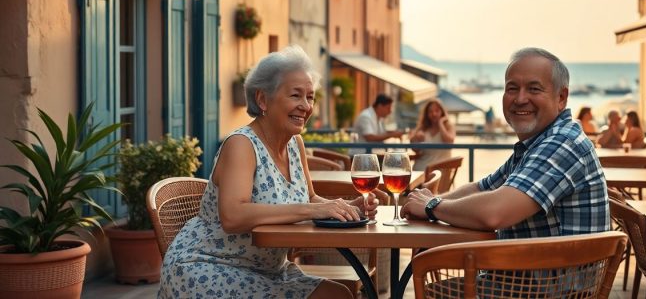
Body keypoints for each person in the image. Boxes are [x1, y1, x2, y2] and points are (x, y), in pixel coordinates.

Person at [159, 46, 379, 299]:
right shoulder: (241, 144)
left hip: (267, 270)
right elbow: (232, 216)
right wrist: (314, 209)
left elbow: (309, 198)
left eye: (310, 97)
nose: (306, 106)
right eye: (296, 95)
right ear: (262, 99)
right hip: (209, 268)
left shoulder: (295, 144)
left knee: (339, 294)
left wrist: (346, 207)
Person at [402, 47, 609, 242]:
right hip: (521, 275)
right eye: (512, 88)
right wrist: (431, 201)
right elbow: (481, 188)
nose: (520, 99)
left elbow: (494, 213)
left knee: (422, 277)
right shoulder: (537, 143)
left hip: (546, 280)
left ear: (561, 98)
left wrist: (431, 205)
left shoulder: (563, 142)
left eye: (534, 89)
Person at [409, 99, 456, 171]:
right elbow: (415, 149)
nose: (434, 114)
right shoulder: (423, 127)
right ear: (427, 114)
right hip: (422, 168)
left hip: (442, 169)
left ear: (442, 112)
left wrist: (441, 124)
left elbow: (449, 143)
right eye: (430, 111)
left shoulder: (449, 126)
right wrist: (416, 138)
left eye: (437, 111)